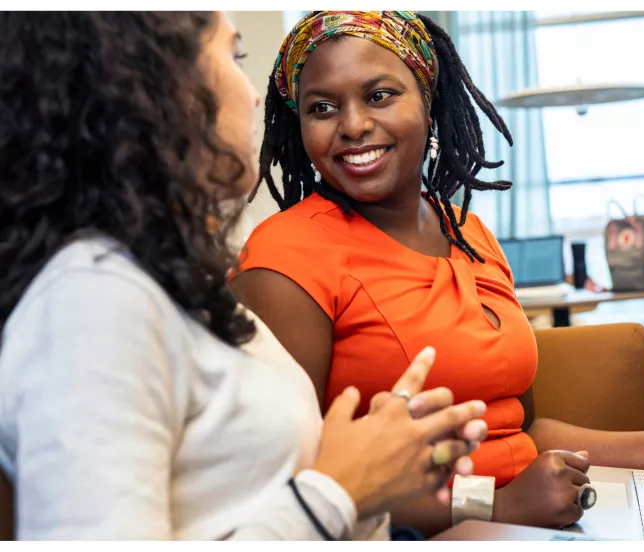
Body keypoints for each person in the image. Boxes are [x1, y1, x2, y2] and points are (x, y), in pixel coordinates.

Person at [233, 10, 644, 537]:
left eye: (380, 95)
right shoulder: (287, 255)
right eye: (322, 108)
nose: (353, 125)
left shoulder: (469, 235)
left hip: (528, 517)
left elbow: (523, 434)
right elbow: (293, 483)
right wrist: (498, 505)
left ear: (428, 102)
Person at [0, 12, 489, 540]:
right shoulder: (91, 303)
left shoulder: (169, 282)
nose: (257, 98)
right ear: (155, 88)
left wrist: (380, 472)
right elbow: (321, 492)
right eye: (233, 58)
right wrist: (337, 489)